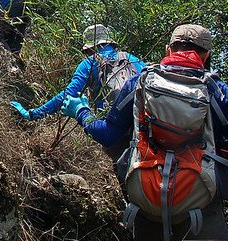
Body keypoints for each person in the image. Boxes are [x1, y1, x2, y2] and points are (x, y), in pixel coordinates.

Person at [59, 23, 228, 241]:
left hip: (147, 208)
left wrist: (81, 112)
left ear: (168, 50)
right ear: (206, 56)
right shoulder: (220, 92)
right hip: (200, 211)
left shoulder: (140, 83)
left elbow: (108, 134)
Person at [10, 23, 145, 158]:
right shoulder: (133, 60)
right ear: (110, 42)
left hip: (112, 133)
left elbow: (69, 94)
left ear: (90, 48)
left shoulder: (89, 63)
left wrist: (35, 114)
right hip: (144, 129)